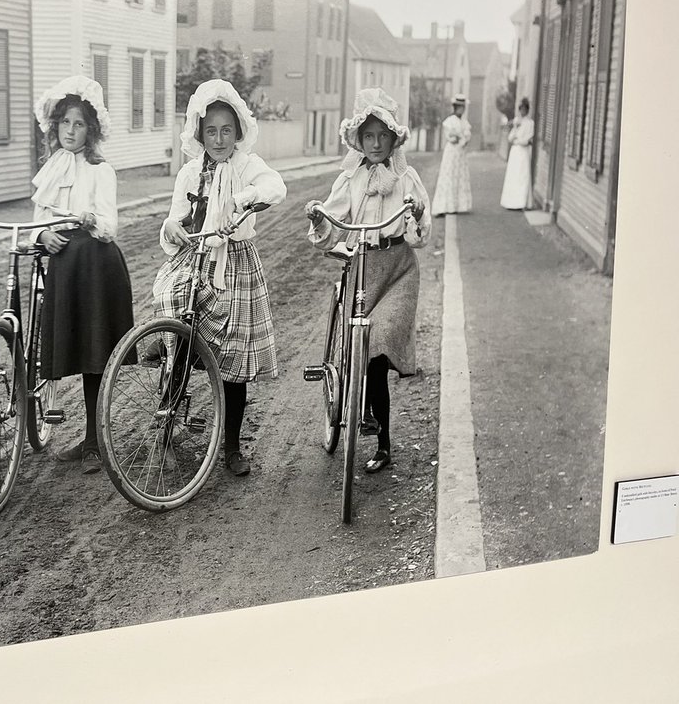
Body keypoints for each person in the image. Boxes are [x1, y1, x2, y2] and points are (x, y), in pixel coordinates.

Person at [153, 78, 287, 477]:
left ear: (238, 132)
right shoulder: (190, 172)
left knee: (233, 359)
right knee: (175, 319)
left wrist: (246, 200)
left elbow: (274, 186)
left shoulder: (247, 165)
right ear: (200, 133)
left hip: (235, 263)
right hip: (195, 259)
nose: (218, 138)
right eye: (210, 130)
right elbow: (175, 217)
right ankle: (165, 428)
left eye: (226, 130)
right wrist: (172, 227)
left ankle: (230, 447)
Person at [305, 88, 432, 474]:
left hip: (398, 271)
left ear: (394, 139)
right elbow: (333, 218)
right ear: (358, 141)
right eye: (369, 136)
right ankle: (357, 410)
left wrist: (418, 214)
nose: (376, 144)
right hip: (362, 267)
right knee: (356, 346)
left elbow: (420, 233)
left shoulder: (406, 177)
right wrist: (318, 216)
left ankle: (383, 442)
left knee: (376, 349)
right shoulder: (351, 179)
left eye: (383, 136)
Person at [31, 76, 136, 475]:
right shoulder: (52, 168)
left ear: (90, 130)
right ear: (55, 128)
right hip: (63, 267)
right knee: (69, 351)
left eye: (78, 125)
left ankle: (95, 441)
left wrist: (89, 219)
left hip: (95, 266)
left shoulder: (99, 169)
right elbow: (38, 219)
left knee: (94, 354)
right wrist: (44, 234)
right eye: (64, 124)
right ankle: (87, 438)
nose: (70, 132)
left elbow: (109, 225)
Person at [431, 93, 473, 216]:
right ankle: (445, 206)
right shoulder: (449, 121)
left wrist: (464, 139)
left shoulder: (464, 122)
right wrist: (460, 137)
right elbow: (451, 138)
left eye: (463, 107)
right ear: (455, 107)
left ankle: (459, 205)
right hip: (452, 152)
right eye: (460, 107)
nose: (462, 109)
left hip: (461, 153)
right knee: (449, 176)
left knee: (460, 176)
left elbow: (467, 136)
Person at [500, 98, 535, 210]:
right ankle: (511, 202)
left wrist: (518, 140)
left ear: (527, 110)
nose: (522, 111)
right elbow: (510, 138)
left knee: (523, 176)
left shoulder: (530, 123)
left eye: (524, 109)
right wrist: (515, 128)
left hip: (523, 152)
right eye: (521, 109)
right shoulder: (517, 121)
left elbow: (527, 140)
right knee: (513, 176)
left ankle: (522, 202)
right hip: (515, 152)